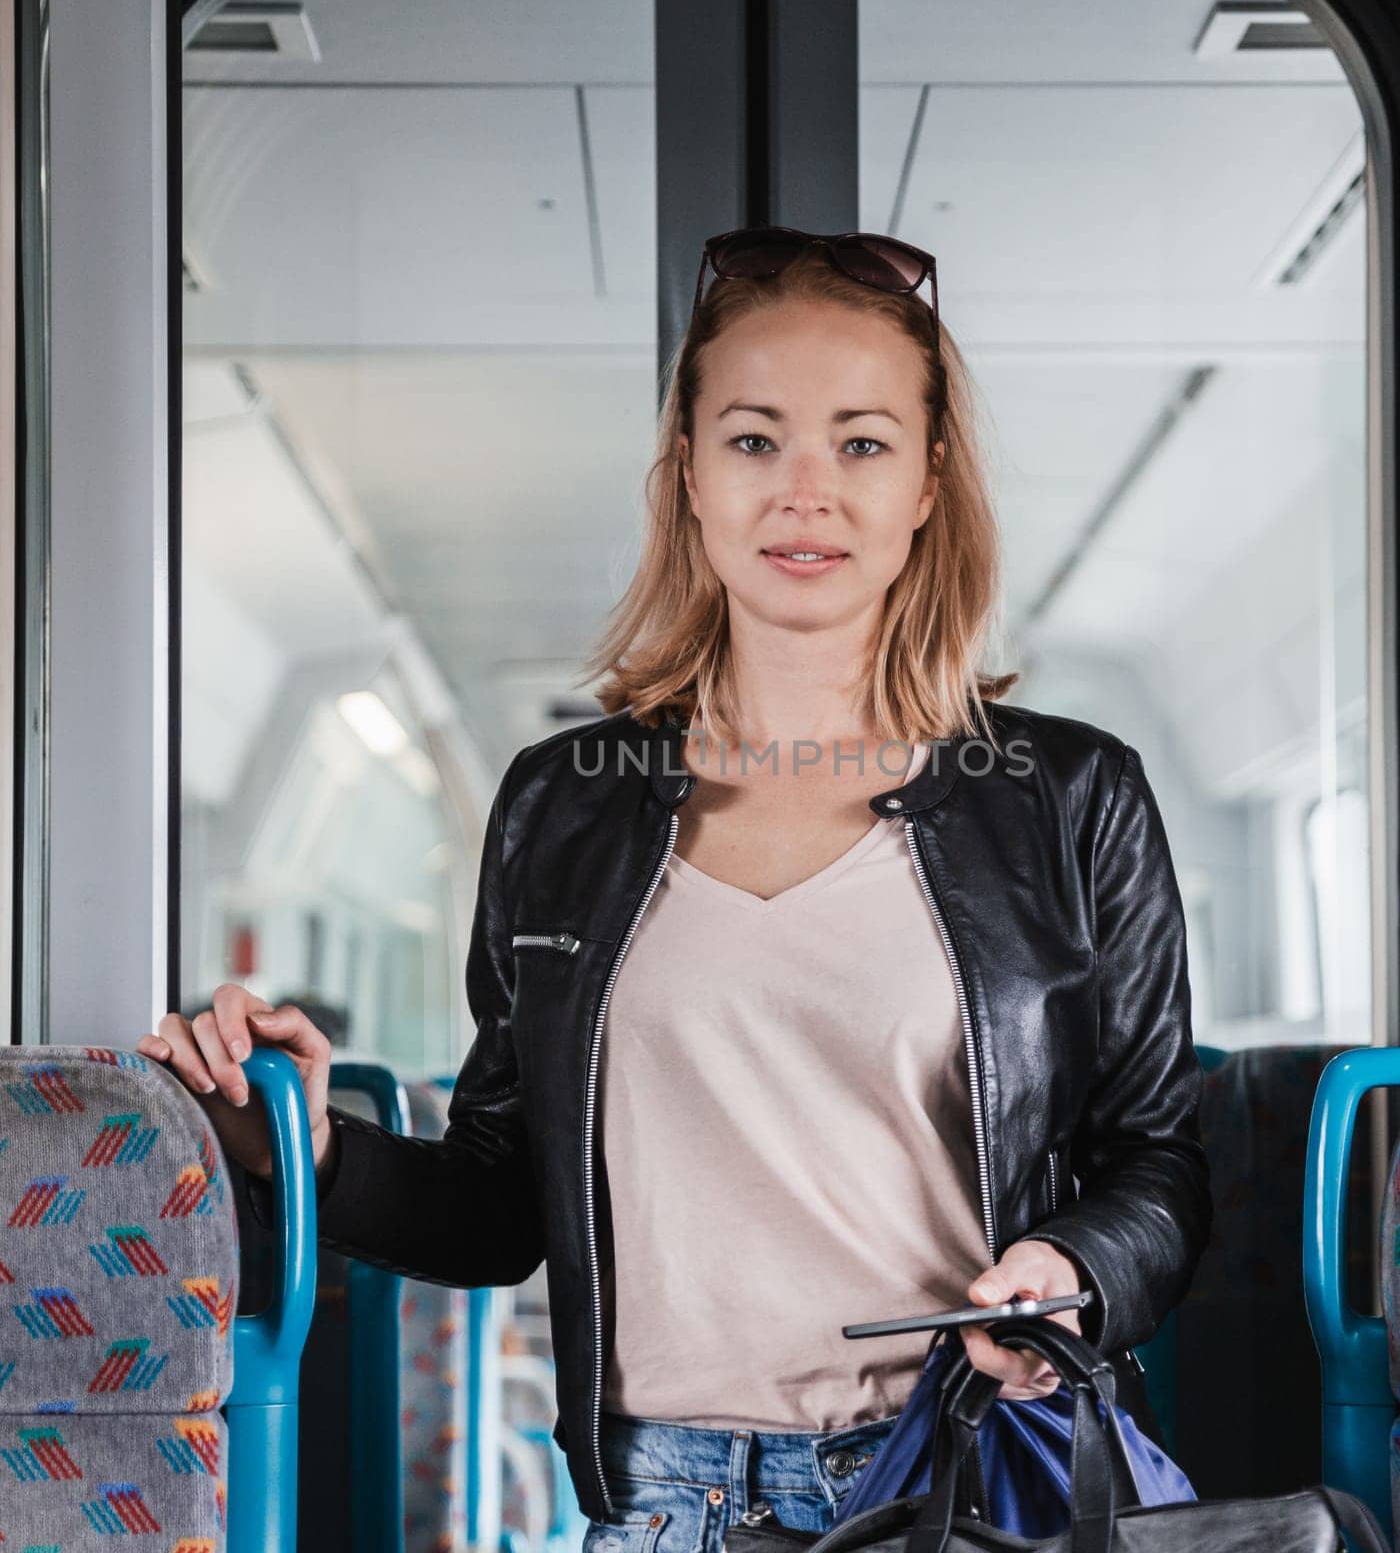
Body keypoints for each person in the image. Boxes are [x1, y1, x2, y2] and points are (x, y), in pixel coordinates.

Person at [138, 228, 1211, 1553]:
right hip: (657, 1508)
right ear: (689, 478)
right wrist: (308, 1154)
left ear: (930, 481)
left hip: (953, 1479)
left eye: (862, 443)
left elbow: (1156, 1163)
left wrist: (1074, 1273)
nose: (804, 491)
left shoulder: (1068, 799)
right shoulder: (563, 803)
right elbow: (500, 1202)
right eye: (755, 441)